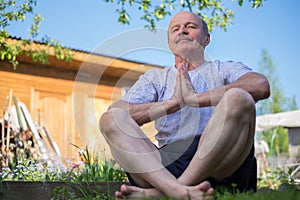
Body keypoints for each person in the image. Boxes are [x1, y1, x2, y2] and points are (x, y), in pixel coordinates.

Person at [99, 11, 270, 200]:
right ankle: (179, 191)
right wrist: (172, 103)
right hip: (166, 165)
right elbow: (118, 114)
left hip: (222, 161)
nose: (182, 31)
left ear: (206, 39)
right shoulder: (155, 78)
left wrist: (195, 99)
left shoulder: (224, 69)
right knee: (111, 118)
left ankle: (166, 192)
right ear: (170, 43)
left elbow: (260, 85)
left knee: (239, 97)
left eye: (191, 26)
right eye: (175, 29)